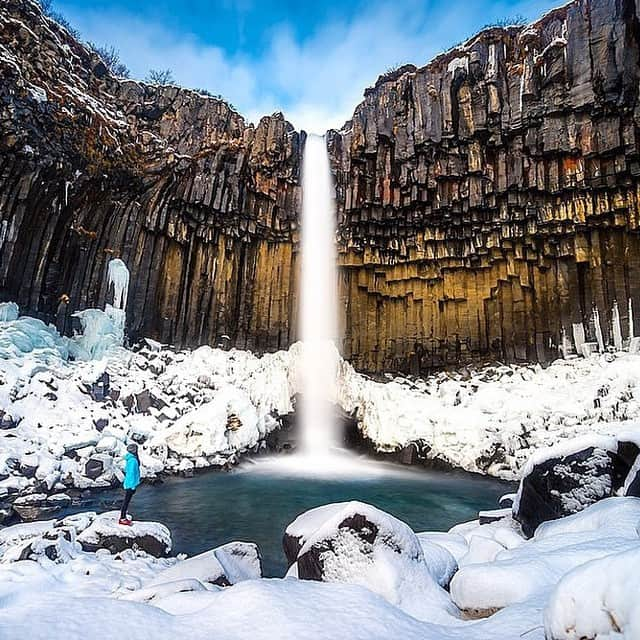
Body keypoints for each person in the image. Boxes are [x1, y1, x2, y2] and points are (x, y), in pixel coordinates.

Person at [119, 443, 141, 526]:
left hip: (129, 483)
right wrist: (132, 486)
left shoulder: (130, 459)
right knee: (126, 502)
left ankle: (123, 517)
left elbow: (127, 470)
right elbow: (131, 473)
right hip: (130, 484)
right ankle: (122, 518)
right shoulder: (133, 460)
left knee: (126, 501)